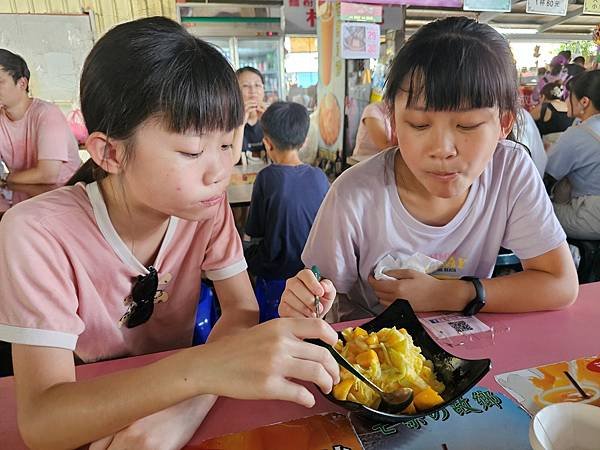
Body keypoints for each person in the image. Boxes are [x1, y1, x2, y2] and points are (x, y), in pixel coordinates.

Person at [0, 18, 339, 450]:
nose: (220, 173)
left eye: (227, 144)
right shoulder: (35, 232)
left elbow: (240, 312)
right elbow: (43, 420)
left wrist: (188, 404)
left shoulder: (205, 211)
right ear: (111, 152)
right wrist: (201, 372)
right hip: (89, 409)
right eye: (192, 151)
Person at [278, 17, 578, 322]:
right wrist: (306, 304)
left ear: (503, 123)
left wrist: (446, 294)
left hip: (467, 348)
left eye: (467, 125)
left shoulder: (509, 171)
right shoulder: (353, 194)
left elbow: (560, 283)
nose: (442, 149)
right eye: (420, 125)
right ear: (393, 122)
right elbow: (321, 301)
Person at [244, 102, 329, 320]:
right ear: (304, 142)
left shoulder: (266, 177)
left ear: (267, 143)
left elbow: (255, 230)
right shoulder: (319, 176)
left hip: (275, 273)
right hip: (311, 277)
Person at [0, 49, 80, 185]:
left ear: (22, 83)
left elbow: (47, 175)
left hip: (64, 196)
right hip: (24, 197)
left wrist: (5, 178)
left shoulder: (47, 114)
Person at [545, 70, 600, 240]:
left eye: (570, 95)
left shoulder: (578, 134)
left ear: (584, 101)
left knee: (533, 212)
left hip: (592, 217)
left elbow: (548, 174)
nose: (566, 99)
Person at [235, 66, 268, 163]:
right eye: (245, 86)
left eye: (257, 85)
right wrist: (240, 124)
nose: (253, 91)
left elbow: (281, 159)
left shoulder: (275, 119)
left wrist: (269, 126)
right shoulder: (226, 123)